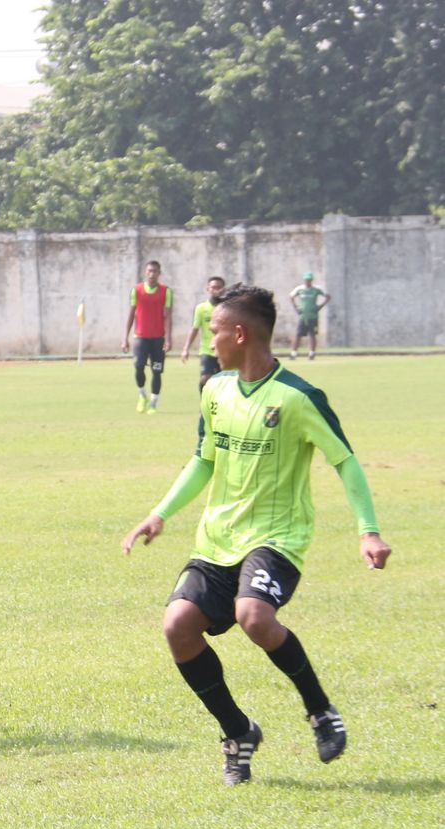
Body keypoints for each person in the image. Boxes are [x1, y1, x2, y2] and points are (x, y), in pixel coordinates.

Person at [121, 284, 391, 786]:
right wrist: (160, 513)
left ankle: (319, 710)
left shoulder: (299, 398)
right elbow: (204, 462)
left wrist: (368, 531)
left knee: (253, 615)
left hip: (276, 538)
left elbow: (345, 462)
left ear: (240, 334)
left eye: (216, 330)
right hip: (216, 541)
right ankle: (238, 732)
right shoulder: (215, 390)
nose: (210, 338)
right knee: (177, 626)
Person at [121, 261, 172, 414]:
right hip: (140, 338)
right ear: (145, 272)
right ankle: (142, 395)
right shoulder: (136, 290)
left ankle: (153, 403)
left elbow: (168, 317)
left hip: (158, 339)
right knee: (138, 366)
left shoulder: (166, 291)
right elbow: (131, 315)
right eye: (149, 271)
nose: (152, 274)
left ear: (159, 273)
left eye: (155, 271)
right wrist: (125, 338)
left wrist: (168, 339)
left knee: (157, 371)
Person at [180, 276, 227, 392]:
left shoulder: (228, 308)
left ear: (224, 289)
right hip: (206, 350)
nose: (216, 290)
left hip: (225, 350)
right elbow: (195, 328)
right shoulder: (201, 308)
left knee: (224, 382)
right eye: (213, 287)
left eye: (219, 287)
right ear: (208, 289)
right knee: (205, 378)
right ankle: (203, 405)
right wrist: (186, 348)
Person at [289, 271, 329, 360]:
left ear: (312, 280)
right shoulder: (300, 289)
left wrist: (320, 306)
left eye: (309, 280)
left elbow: (327, 296)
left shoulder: (316, 289)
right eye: (306, 280)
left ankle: (312, 353)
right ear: (304, 280)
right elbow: (291, 296)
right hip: (303, 316)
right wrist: (296, 308)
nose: (308, 281)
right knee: (298, 335)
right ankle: (294, 353)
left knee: (312, 334)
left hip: (313, 316)